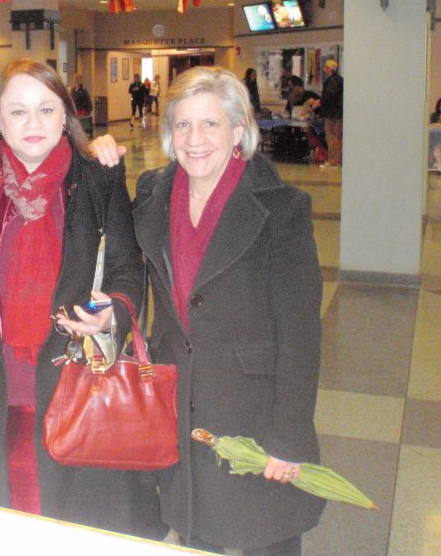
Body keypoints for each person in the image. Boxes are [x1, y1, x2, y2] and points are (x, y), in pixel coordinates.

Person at [0, 59, 160, 537]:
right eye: (17, 111)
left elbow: (126, 268)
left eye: (46, 109)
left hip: (77, 387)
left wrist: (110, 312)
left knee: (76, 527)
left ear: (65, 118)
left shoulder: (98, 179)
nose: (33, 124)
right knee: (0, 529)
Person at [133, 67, 325, 556]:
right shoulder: (154, 194)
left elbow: (301, 335)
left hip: (255, 414)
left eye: (211, 124)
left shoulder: (281, 209)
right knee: (196, 532)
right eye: (182, 125)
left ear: (239, 131)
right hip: (182, 407)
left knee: (266, 534)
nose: (195, 139)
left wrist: (290, 437)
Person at [316, 59, 343, 167]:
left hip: (332, 113)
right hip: (336, 112)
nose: (324, 69)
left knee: (332, 137)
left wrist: (320, 102)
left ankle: (333, 161)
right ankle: (336, 160)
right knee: (336, 137)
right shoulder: (339, 79)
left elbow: (330, 96)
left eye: (326, 67)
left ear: (330, 69)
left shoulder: (332, 81)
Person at [70, 73, 94, 138]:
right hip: (75, 111)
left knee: (81, 126)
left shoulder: (83, 90)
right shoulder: (73, 90)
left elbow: (87, 101)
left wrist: (87, 111)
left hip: (82, 111)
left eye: (76, 79)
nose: (74, 81)